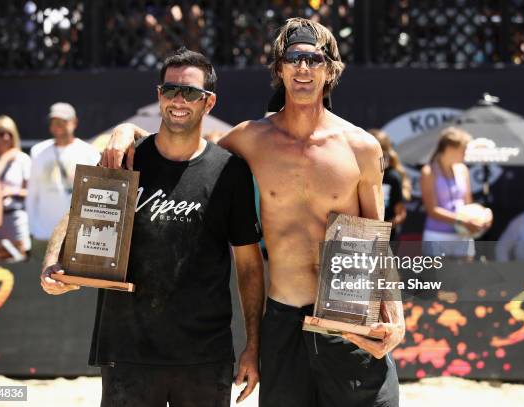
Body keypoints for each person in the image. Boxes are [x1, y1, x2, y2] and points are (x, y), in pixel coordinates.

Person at [102, 19, 404, 407]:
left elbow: (377, 242)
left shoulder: (360, 147)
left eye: (314, 59)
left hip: (349, 319)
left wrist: (396, 318)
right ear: (279, 69)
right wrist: (127, 131)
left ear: (330, 70)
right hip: (283, 319)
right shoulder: (250, 139)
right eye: (293, 58)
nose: (303, 68)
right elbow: (183, 145)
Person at [41, 48, 264, 406]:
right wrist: (53, 261)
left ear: (209, 103)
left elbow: (250, 267)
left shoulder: (229, 172)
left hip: (204, 355)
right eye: (169, 90)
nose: (179, 99)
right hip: (127, 351)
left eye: (190, 92)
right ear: (159, 95)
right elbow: (77, 211)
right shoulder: (125, 158)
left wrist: (253, 346)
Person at [26, 102, 100, 260]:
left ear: (74, 122)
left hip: (76, 236)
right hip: (43, 234)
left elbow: (95, 198)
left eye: (63, 121)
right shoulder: (37, 151)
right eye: (54, 121)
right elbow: (32, 193)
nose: (57, 125)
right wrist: (32, 229)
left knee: (73, 283)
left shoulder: (90, 153)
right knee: (39, 282)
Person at [421, 127, 490, 259]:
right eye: (463, 149)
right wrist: (462, 221)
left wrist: (483, 215)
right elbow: (432, 210)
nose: (465, 154)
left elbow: (468, 203)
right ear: (449, 148)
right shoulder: (428, 171)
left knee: (465, 278)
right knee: (436, 279)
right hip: (437, 235)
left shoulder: (463, 169)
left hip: (463, 235)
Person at [0, 115, 31, 260]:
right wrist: (5, 158)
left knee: (19, 257)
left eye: (9, 134)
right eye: (1, 134)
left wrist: (12, 191)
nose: (6, 138)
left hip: (15, 216)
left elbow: (31, 191)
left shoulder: (22, 159)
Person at [370, 129, 410, 240]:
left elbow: (400, 214)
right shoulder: (358, 175)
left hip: (386, 239)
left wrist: (380, 229)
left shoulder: (392, 177)